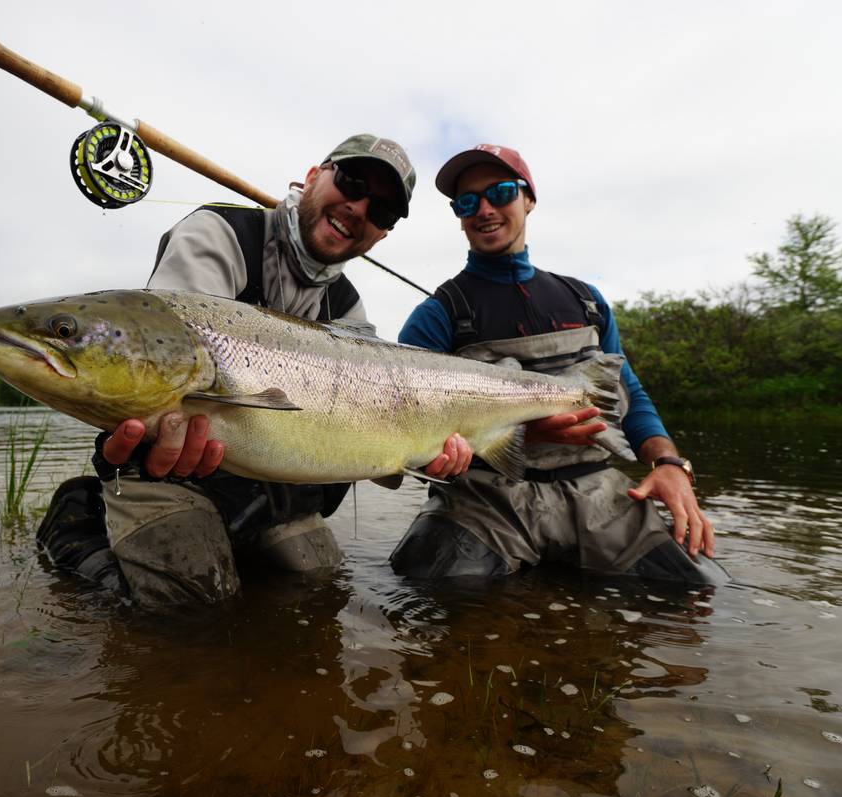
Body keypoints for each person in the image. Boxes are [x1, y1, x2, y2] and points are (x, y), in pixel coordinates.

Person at [37, 134, 474, 605]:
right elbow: (163, 358)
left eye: (382, 211)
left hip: (270, 497)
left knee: (318, 591)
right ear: (312, 177)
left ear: (383, 233)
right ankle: (84, 519)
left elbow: (361, 427)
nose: (359, 207)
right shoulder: (219, 235)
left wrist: (420, 451)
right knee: (194, 610)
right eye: (351, 182)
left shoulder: (349, 308)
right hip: (171, 476)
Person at [389, 144, 728, 584]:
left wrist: (669, 465)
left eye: (501, 192)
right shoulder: (437, 315)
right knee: (428, 588)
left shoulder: (586, 301)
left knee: (699, 590)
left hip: (599, 493)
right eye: (467, 201)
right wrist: (521, 431)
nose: (485, 209)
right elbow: (409, 432)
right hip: (486, 501)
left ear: (528, 198)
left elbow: (631, 396)